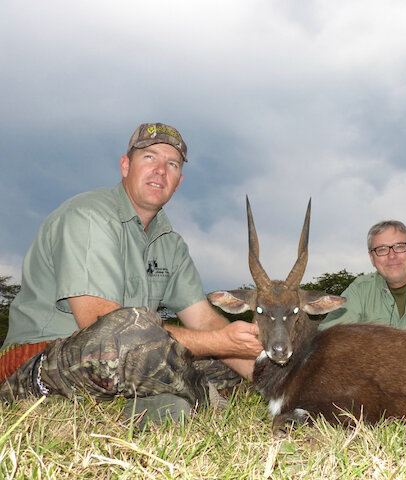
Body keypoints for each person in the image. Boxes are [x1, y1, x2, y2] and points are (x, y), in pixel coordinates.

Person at [0, 123, 263, 423]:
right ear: (125, 166)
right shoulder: (88, 215)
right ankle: (200, 398)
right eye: (149, 157)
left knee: (228, 365)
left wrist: (263, 368)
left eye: (172, 164)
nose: (160, 170)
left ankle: (159, 407)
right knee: (133, 329)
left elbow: (204, 320)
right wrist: (219, 343)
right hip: (40, 360)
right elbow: (102, 326)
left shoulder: (170, 242)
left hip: (124, 361)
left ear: (178, 181)